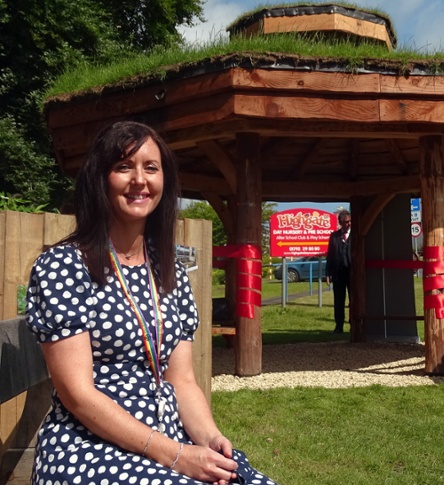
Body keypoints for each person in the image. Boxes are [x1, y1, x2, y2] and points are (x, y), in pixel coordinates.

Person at [26, 121, 277, 485]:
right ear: (100, 178)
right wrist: (175, 455)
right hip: (90, 448)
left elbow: (184, 381)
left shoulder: (167, 269)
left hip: (169, 438)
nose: (139, 180)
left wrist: (209, 438)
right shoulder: (65, 266)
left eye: (151, 168)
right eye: (124, 166)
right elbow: (78, 395)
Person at [325, 210, 351, 333]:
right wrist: (328, 273)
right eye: (346, 222)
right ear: (340, 222)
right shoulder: (334, 236)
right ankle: (339, 326)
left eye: (350, 221)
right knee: (339, 301)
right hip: (338, 273)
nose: (349, 224)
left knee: (354, 301)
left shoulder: (355, 236)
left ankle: (354, 325)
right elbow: (329, 255)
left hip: (352, 274)